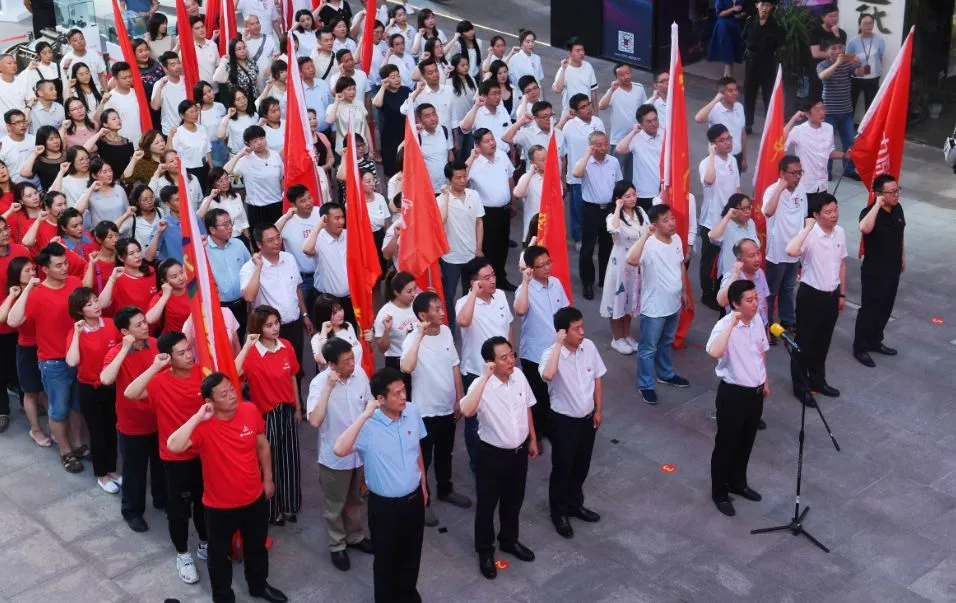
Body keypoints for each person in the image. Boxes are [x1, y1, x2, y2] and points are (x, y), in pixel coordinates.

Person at [166, 372, 288, 603]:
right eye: (224, 394)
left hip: (253, 498)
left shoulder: (249, 410)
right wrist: (198, 417)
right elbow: (173, 445)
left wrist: (268, 479)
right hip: (219, 507)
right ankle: (223, 597)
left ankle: (258, 586)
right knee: (219, 556)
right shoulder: (203, 426)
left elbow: (262, 445)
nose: (232, 395)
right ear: (209, 402)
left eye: (232, 389)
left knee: (257, 547)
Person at [330, 366, 426, 602]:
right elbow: (339, 449)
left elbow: (417, 451)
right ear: (380, 399)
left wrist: (423, 487)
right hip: (385, 508)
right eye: (396, 393)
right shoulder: (367, 426)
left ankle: (407, 593)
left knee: (412, 554)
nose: (403, 397)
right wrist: (364, 415)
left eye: (404, 391)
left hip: (414, 501)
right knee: (385, 560)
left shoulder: (412, 411)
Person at [124, 331, 209, 584]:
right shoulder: (160, 382)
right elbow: (130, 392)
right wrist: (155, 367)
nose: (189, 355)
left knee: (205, 503)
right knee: (178, 510)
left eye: (189, 349)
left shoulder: (203, 373)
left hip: (205, 453)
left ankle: (205, 543)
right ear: (168, 357)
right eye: (181, 353)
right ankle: (183, 554)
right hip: (176, 458)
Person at [460, 336, 538, 580]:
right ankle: (485, 551)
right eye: (503, 358)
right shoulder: (481, 385)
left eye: (511, 355)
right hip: (492, 455)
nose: (510, 361)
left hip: (518, 453)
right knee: (486, 506)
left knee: (514, 500)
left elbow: (527, 407)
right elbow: (466, 410)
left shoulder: (519, 377)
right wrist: (484, 377)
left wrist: (533, 438)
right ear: (490, 362)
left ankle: (509, 540)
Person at [6, 243, 85, 471]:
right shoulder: (37, 294)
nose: (64, 268)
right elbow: (13, 320)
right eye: (58, 265)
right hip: (53, 362)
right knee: (58, 409)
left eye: (65, 263)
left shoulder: (75, 283)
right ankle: (65, 451)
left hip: (79, 357)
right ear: (45, 269)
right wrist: (28, 289)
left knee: (77, 407)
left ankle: (78, 443)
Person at [400, 291, 471, 525]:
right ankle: (423, 500)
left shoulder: (446, 332)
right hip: (425, 412)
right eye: (437, 309)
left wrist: (459, 398)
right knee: (424, 459)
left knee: (445, 452)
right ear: (423, 315)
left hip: (447, 407)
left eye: (442, 307)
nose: (442, 312)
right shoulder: (412, 338)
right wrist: (419, 335)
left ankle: (445, 489)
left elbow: (454, 365)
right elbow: (406, 367)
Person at [306, 338, 375, 571]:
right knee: (335, 505)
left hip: (359, 453)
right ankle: (337, 545)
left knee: (355, 499)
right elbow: (315, 421)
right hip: (334, 458)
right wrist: (329, 388)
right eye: (346, 361)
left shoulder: (360, 375)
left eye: (352, 358)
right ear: (332, 365)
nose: (352, 364)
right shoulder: (319, 384)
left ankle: (355, 536)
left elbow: (368, 403)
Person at [706, 279, 770, 517]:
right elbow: (714, 352)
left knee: (746, 441)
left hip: (755, 393)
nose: (755, 304)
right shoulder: (724, 326)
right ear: (735, 304)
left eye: (756, 299)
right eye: (750, 300)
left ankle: (738, 483)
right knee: (726, 444)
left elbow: (760, 352)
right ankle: (719, 492)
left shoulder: (757, 321)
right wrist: (732, 323)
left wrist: (765, 380)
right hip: (733, 394)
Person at [99, 305, 166, 532]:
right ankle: (132, 511)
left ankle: (161, 499)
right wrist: (124, 350)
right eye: (139, 325)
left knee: (160, 466)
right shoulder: (116, 353)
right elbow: (106, 379)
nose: (145, 326)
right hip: (132, 423)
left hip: (159, 419)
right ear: (125, 332)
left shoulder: (156, 344)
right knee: (134, 472)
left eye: (145, 321)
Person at [540, 306, 605, 537]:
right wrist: (558, 345)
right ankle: (558, 513)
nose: (582, 332)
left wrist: (598, 409)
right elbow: (548, 375)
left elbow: (597, 378)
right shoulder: (550, 355)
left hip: (587, 420)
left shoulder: (589, 347)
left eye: (582, 326)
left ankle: (575, 504)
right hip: (563, 423)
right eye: (576, 329)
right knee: (562, 468)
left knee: (581, 466)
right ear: (562, 332)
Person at [236, 306, 302, 525]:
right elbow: (233, 374)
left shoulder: (286, 346)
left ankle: (290, 506)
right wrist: (246, 346)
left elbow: (293, 377)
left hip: (287, 411)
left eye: (276, 323)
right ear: (258, 328)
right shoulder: (251, 354)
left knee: (290, 460)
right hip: (266, 416)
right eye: (268, 325)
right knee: (268, 463)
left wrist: (298, 407)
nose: (275, 328)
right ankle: (272, 511)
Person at [626, 204, 691, 405]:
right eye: (666, 220)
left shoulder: (677, 239)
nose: (671, 223)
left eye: (672, 218)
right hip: (654, 308)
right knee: (648, 348)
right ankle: (645, 385)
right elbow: (631, 259)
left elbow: (680, 264)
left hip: (673, 304)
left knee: (666, 341)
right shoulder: (649, 245)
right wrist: (645, 236)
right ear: (655, 224)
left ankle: (665, 373)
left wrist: (684, 291)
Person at [785, 193, 846, 408]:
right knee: (805, 343)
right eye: (828, 212)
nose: (834, 215)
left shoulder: (839, 232)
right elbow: (791, 250)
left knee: (823, 341)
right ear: (816, 215)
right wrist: (807, 227)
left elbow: (842, 264)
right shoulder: (810, 235)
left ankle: (818, 381)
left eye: (835, 210)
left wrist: (841, 294)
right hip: (811, 295)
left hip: (832, 295)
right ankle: (800, 386)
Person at [456, 256, 513, 473]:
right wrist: (473, 294)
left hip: (502, 369)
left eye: (493, 275)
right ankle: (477, 463)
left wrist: (511, 355)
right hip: (476, 372)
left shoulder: (500, 296)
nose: (492, 280)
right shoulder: (464, 303)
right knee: (474, 422)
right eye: (486, 278)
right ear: (474, 282)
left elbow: (509, 326)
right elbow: (463, 321)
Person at [240, 224, 312, 380]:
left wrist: (305, 314)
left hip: (294, 325)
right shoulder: (249, 268)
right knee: (275, 375)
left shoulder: (289, 258)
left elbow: (297, 288)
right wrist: (259, 267)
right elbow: (249, 297)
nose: (277, 242)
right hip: (269, 331)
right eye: (270, 240)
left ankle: (297, 396)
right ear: (259, 244)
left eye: (278, 237)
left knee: (296, 371)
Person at [513, 245, 569, 443]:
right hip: (534, 354)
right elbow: (520, 310)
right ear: (530, 268)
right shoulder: (524, 290)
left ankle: (551, 429)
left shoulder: (556, 283)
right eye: (541, 265)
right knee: (537, 397)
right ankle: (535, 434)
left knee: (555, 394)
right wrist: (525, 282)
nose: (547, 267)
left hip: (556, 350)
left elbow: (565, 311)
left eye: (548, 262)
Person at [853, 174, 904, 367]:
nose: (896, 195)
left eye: (897, 190)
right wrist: (877, 205)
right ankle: (860, 347)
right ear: (879, 194)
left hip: (893, 270)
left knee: (885, 309)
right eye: (891, 192)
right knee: (869, 310)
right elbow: (864, 229)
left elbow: (900, 235)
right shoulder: (869, 213)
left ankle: (875, 341)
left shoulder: (898, 209)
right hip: (874, 272)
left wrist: (902, 257)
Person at [572, 130, 621, 300]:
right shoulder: (585, 162)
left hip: (609, 209)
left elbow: (618, 184)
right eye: (599, 145)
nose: (603, 148)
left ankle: (605, 280)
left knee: (608, 246)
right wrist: (588, 154)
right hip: (590, 209)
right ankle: (587, 282)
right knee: (588, 247)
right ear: (591, 146)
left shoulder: (613, 161)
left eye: (605, 144)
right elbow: (576, 174)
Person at [762, 155, 808, 337]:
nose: (797, 177)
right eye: (793, 173)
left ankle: (788, 320)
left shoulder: (801, 190)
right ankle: (767, 324)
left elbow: (803, 218)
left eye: (799, 173)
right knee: (771, 291)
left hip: (794, 251)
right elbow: (768, 212)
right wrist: (780, 188)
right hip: (777, 252)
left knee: (788, 288)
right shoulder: (772, 191)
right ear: (782, 173)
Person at [465, 128, 515, 291]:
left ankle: (500, 278)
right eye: (487, 141)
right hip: (486, 214)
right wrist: (471, 158)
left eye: (492, 139)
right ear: (477, 145)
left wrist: (513, 202)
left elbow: (510, 179)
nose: (492, 143)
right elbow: (462, 180)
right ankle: (486, 281)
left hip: (504, 210)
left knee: (503, 246)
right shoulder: (474, 162)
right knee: (489, 248)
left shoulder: (502, 156)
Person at [601, 181, 647, 354]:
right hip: (620, 262)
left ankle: (627, 334)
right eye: (627, 196)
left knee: (631, 299)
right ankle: (617, 337)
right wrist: (618, 208)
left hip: (637, 262)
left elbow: (648, 231)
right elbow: (613, 229)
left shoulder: (640, 211)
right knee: (618, 299)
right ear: (619, 198)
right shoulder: (613, 216)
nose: (632, 199)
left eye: (634, 194)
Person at [698, 124, 741, 310]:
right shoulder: (706, 163)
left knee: (725, 259)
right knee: (709, 261)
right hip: (712, 221)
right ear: (713, 144)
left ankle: (721, 291)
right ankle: (707, 295)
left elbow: (737, 187)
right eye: (722, 140)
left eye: (728, 138)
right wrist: (711, 156)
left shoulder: (733, 160)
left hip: (730, 219)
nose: (727, 143)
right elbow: (709, 180)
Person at [558, 93, 605, 245]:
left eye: (588, 104)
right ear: (575, 111)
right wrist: (564, 119)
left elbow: (604, 145)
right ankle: (579, 238)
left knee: (597, 207)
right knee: (579, 209)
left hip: (598, 172)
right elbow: (554, 137)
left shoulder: (598, 122)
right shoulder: (569, 126)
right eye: (583, 107)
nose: (588, 109)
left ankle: (596, 234)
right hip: (578, 175)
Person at [303, 202, 355, 326]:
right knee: (329, 334)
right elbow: (307, 249)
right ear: (325, 220)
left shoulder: (349, 235)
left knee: (350, 331)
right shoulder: (318, 238)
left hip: (350, 299)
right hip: (327, 301)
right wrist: (319, 226)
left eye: (342, 217)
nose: (341, 221)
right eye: (336, 218)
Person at [817, 38, 860, 181]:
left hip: (846, 111)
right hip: (828, 113)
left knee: (850, 142)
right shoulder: (822, 65)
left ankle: (849, 169)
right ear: (827, 51)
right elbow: (823, 76)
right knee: (827, 143)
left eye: (840, 47)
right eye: (833, 48)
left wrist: (860, 63)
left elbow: (862, 73)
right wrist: (837, 63)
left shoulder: (848, 64)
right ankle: (826, 171)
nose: (837, 51)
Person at [783, 102, 841, 209]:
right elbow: (779, 143)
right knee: (805, 217)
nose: (822, 112)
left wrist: (845, 155)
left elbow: (829, 152)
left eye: (823, 108)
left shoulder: (829, 128)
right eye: (817, 110)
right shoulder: (799, 131)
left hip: (822, 185)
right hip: (805, 186)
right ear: (807, 113)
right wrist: (793, 120)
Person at [742, 1, 784, 135]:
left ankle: (770, 125)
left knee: (768, 94)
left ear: (771, 7)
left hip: (768, 61)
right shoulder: (750, 21)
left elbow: (781, 44)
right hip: (752, 62)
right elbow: (744, 37)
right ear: (756, 5)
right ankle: (747, 123)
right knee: (749, 92)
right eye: (762, 5)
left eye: (767, 5)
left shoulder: (775, 24)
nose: (764, 8)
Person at [597, 64, 646, 177]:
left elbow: (645, 109)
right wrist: (611, 90)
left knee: (632, 174)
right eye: (622, 75)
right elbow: (601, 106)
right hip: (618, 140)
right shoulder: (614, 91)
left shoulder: (639, 88)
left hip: (636, 138)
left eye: (628, 73)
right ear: (616, 77)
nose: (626, 77)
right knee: (613, 173)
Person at [614, 104, 663, 212]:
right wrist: (634, 131)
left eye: (655, 119)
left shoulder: (664, 135)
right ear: (641, 124)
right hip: (644, 193)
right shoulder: (636, 138)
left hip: (663, 191)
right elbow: (620, 149)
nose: (654, 124)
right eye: (649, 121)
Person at [695, 77, 747, 173]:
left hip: (737, 156)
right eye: (730, 91)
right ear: (721, 93)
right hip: (719, 157)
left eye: (736, 90)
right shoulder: (714, 109)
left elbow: (742, 134)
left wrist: (744, 158)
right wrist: (715, 100)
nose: (735, 93)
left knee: (735, 182)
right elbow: (698, 119)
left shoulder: (739, 107)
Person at [716, 238, 770, 327]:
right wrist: (735, 275)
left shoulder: (760, 273)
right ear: (739, 260)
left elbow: (763, 302)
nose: (757, 259)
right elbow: (721, 301)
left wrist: (765, 325)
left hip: (759, 326)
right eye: (752, 256)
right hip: (740, 328)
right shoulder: (732, 277)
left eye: (758, 253)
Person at [708, 193, 759, 279]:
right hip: (732, 276)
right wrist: (728, 215)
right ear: (734, 210)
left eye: (749, 207)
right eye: (743, 209)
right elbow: (712, 236)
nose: (747, 211)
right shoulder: (727, 225)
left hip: (750, 273)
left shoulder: (751, 223)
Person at [847, 13, 885, 116]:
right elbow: (847, 59)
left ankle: (868, 126)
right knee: (851, 105)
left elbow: (880, 57)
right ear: (860, 25)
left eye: (871, 23)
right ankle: (849, 125)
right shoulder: (853, 41)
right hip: (856, 77)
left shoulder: (879, 39)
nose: (869, 26)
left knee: (871, 107)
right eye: (865, 23)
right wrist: (854, 61)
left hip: (873, 78)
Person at [552, 37, 597, 113]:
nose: (581, 53)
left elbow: (593, 91)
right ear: (569, 53)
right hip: (570, 113)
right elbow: (558, 90)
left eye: (582, 50)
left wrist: (596, 111)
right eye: (577, 51)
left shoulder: (588, 66)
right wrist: (563, 69)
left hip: (587, 112)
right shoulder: (564, 69)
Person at [102, 62, 143, 144]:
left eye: (130, 76)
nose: (128, 80)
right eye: (124, 78)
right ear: (115, 79)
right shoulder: (110, 98)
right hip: (122, 142)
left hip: (140, 140)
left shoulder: (137, 93)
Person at [151, 52, 189, 136]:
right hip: (170, 131)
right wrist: (160, 88)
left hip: (188, 127)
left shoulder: (186, 80)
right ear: (165, 69)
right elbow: (155, 107)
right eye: (173, 64)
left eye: (178, 63)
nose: (177, 66)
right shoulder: (159, 84)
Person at [708, 0, 745, 77]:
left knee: (732, 53)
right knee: (728, 53)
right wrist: (733, 9)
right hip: (724, 26)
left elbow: (743, 11)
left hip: (735, 26)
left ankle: (727, 76)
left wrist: (741, 14)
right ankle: (728, 77)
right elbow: (719, 14)